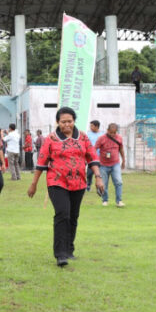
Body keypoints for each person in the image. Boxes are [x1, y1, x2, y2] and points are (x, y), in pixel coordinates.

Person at [27, 107, 104, 267]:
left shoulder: (83, 137)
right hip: (57, 182)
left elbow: (92, 157)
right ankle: (60, 254)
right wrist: (34, 184)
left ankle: (69, 249)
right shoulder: (51, 139)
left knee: (73, 216)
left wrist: (98, 177)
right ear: (58, 122)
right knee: (62, 214)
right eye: (63, 122)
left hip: (79, 183)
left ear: (74, 121)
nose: (67, 125)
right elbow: (41, 163)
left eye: (69, 121)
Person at [94, 123, 126, 207]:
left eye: (114, 133)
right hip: (103, 165)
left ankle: (119, 201)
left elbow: (121, 149)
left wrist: (123, 160)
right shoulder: (101, 138)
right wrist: (95, 161)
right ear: (107, 130)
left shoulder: (119, 138)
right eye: (111, 132)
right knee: (104, 183)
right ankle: (105, 200)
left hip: (115, 163)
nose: (112, 134)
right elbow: (94, 149)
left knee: (118, 182)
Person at [85, 120, 104, 193]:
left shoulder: (102, 135)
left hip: (101, 158)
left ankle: (100, 188)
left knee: (101, 174)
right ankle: (88, 185)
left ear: (96, 126)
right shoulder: (88, 134)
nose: (90, 127)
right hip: (91, 158)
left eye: (92, 126)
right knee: (89, 174)